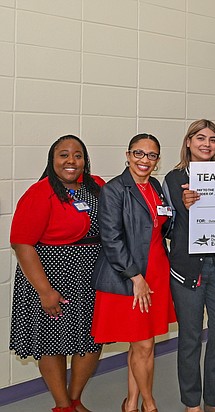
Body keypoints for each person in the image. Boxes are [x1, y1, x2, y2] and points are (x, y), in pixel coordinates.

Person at [9, 135, 104, 412]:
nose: (71, 161)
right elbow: (22, 243)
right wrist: (45, 291)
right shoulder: (40, 192)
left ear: (85, 160)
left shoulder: (96, 186)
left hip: (91, 276)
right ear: (52, 160)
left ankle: (75, 399)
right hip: (52, 276)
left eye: (77, 155)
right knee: (53, 342)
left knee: (91, 338)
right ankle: (62, 405)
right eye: (63, 155)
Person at [163, 120, 215, 412]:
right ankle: (191, 404)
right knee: (190, 338)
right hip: (188, 270)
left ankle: (213, 401)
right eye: (200, 138)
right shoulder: (174, 180)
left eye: (212, 139)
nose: (206, 144)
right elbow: (170, 227)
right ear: (188, 142)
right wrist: (184, 205)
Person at [91, 134, 176, 412]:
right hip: (131, 277)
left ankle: (130, 403)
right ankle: (149, 405)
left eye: (151, 156)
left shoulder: (154, 186)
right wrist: (135, 278)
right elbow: (111, 239)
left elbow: (162, 225)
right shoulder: (114, 190)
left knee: (140, 346)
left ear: (157, 160)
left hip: (157, 272)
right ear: (127, 155)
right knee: (144, 345)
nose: (145, 161)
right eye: (139, 154)